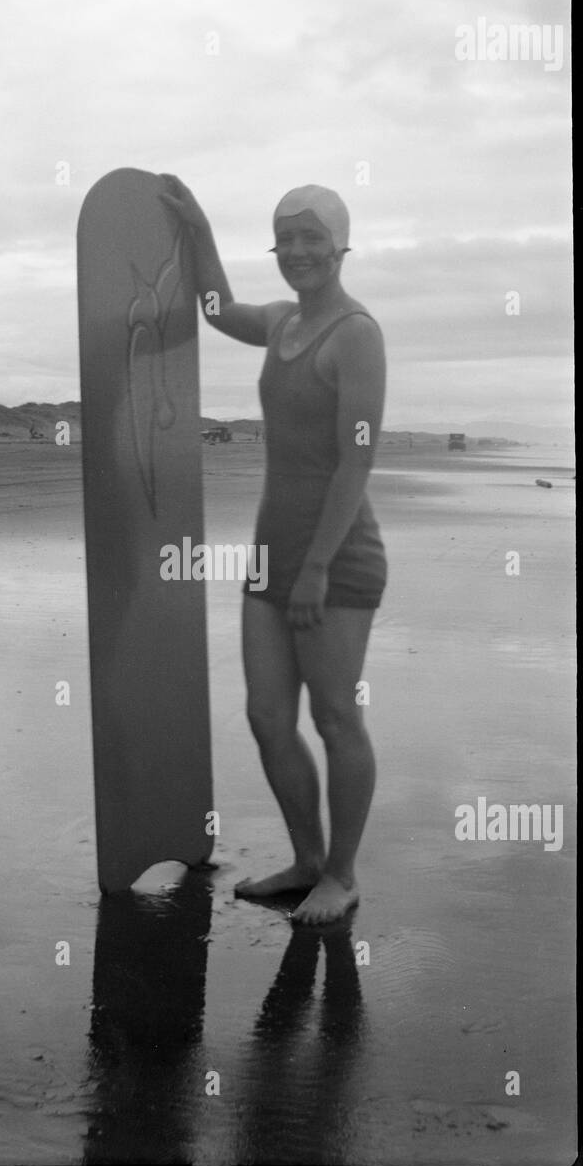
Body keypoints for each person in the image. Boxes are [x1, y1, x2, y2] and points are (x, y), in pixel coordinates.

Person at [160, 176, 387, 924]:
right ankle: (307, 859)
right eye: (285, 237)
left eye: (311, 236)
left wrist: (317, 568)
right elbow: (219, 308)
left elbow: (357, 460)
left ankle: (343, 875)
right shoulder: (284, 320)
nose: (297, 251)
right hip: (269, 557)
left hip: (338, 560)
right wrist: (194, 226)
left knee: (333, 717)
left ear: (340, 244)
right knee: (265, 716)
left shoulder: (355, 334)